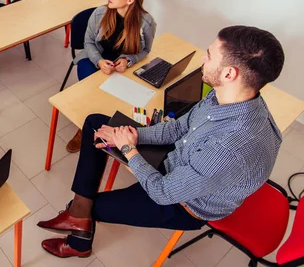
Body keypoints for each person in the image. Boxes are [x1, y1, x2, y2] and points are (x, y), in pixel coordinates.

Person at [38, 25, 284, 259]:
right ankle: (77, 216)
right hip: (182, 161)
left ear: (230, 73)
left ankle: (79, 237)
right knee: (95, 123)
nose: (202, 60)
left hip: (183, 204)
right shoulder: (227, 98)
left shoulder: (229, 147)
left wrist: (128, 148)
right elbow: (179, 127)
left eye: (209, 56)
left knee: (87, 207)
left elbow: (163, 192)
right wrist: (134, 135)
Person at [66, 0, 157, 153]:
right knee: (94, 90)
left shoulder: (146, 22)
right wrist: (99, 61)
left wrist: (128, 60)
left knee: (130, 94)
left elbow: (146, 51)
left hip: (122, 66)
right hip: (93, 58)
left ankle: (110, 125)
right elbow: (88, 43)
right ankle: (84, 128)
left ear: (130, 0)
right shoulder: (100, 13)